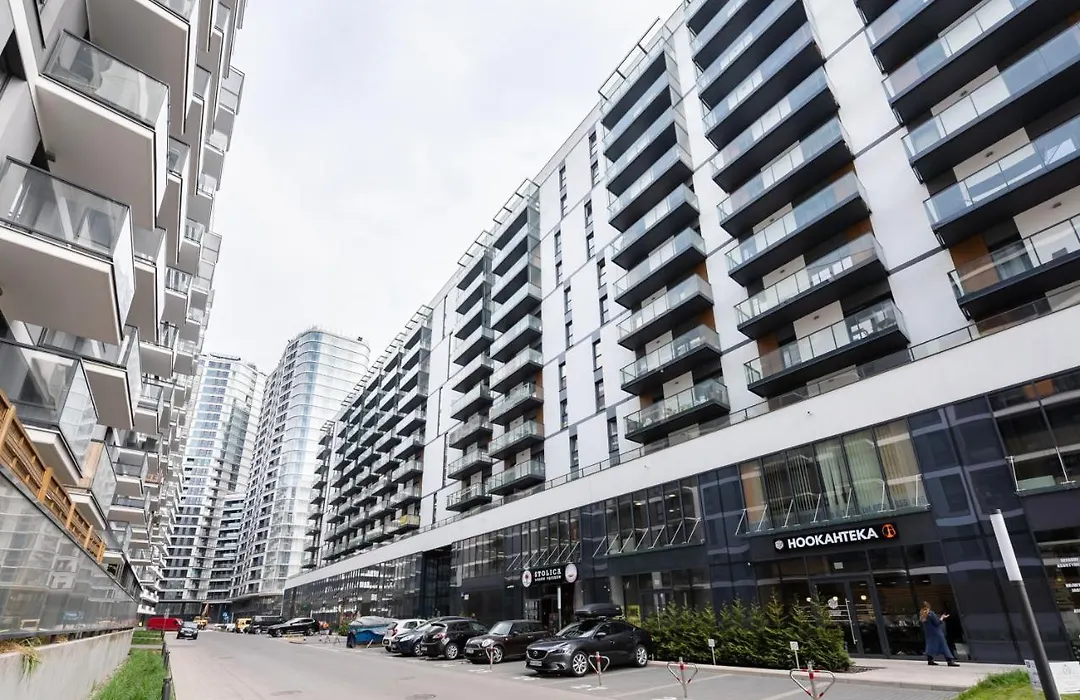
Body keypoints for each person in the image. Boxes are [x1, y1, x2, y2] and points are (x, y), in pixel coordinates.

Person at [920, 602, 959, 666]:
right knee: (944, 646)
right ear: (928, 606)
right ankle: (950, 661)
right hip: (936, 633)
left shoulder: (922, 615)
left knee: (930, 646)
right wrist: (942, 617)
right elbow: (937, 623)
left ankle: (930, 660)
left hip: (929, 634)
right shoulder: (930, 613)